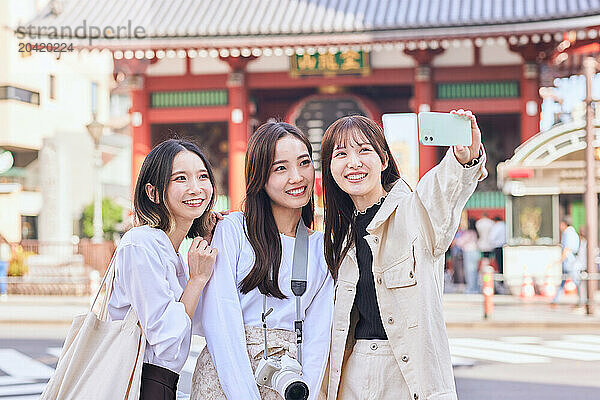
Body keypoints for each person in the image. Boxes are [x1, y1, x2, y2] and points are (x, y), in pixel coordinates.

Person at [320, 111, 486, 400]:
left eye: (364, 150)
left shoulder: (413, 213)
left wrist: (463, 160)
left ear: (384, 160)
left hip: (405, 374)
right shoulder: (337, 237)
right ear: (330, 168)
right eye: (341, 154)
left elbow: (441, 194)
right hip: (353, 372)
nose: (354, 163)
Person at [190, 122, 334, 400]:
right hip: (225, 380)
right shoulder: (232, 229)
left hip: (289, 383)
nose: (297, 177)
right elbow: (221, 319)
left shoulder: (322, 249)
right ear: (259, 177)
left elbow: (318, 341)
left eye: (304, 163)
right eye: (281, 168)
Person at [107, 139, 218, 400]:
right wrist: (197, 279)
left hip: (161, 383)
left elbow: (199, 322)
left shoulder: (174, 252)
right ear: (153, 192)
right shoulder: (140, 244)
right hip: (141, 383)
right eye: (181, 178)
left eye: (202, 176)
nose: (196, 188)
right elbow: (168, 340)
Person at [551, 216, 581, 306]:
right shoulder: (572, 232)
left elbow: (567, 249)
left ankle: (582, 301)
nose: (560, 226)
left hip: (570, 262)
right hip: (570, 262)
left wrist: (559, 260)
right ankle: (555, 301)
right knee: (564, 281)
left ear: (564, 224)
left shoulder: (568, 233)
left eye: (561, 224)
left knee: (576, 282)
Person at [454, 218, 480, 294]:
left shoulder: (468, 233)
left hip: (469, 252)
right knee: (474, 272)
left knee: (469, 272)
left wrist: (455, 240)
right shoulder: (475, 233)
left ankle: (471, 289)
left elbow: (459, 242)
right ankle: (475, 288)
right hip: (475, 252)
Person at [488, 216, 507, 294]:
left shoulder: (497, 226)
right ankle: (504, 282)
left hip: (498, 246)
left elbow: (491, 237)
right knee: (504, 265)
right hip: (505, 246)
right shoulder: (505, 225)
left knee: (499, 265)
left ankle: (501, 283)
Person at [0, 234, 11, 301]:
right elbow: (9, 255)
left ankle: (3, 293)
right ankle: (3, 293)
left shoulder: (2, 246)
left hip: (3, 262)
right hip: (5, 262)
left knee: (2, 277)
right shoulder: (6, 246)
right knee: (3, 278)